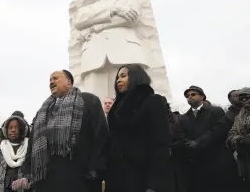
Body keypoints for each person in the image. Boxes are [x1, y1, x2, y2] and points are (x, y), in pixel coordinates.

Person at [13, 69, 109, 192]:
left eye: (55, 78)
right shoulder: (42, 111)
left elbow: (101, 136)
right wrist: (26, 172)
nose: (51, 82)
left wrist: (96, 168)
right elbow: (32, 146)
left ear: (69, 82)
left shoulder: (88, 101)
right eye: (50, 80)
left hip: (79, 178)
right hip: (46, 180)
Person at [105, 64, 172, 192]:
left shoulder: (152, 101)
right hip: (116, 177)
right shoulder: (116, 107)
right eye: (117, 77)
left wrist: (154, 185)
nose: (118, 80)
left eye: (123, 76)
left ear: (137, 77)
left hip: (141, 176)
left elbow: (160, 145)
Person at [177, 85, 238, 192]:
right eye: (187, 96)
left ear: (202, 96)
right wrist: (189, 143)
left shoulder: (216, 111)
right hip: (198, 162)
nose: (189, 97)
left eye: (193, 94)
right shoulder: (183, 118)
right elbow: (182, 135)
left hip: (218, 158)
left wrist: (199, 143)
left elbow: (219, 131)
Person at [0, 114, 30, 192]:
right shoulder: (0, 150)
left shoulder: (29, 149)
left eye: (16, 127)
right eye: (10, 128)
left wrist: (28, 182)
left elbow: (35, 174)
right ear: (6, 130)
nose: (13, 130)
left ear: (22, 129)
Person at [227, 87, 250, 189]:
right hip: (245, 158)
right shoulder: (239, 116)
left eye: (247, 97)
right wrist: (238, 139)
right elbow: (231, 134)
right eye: (241, 99)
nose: (244, 100)